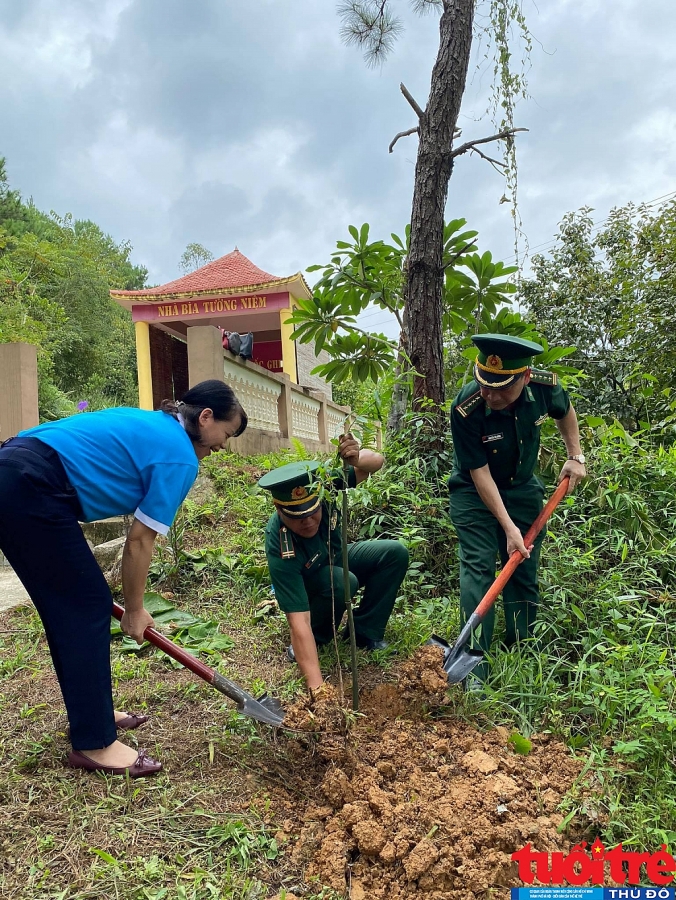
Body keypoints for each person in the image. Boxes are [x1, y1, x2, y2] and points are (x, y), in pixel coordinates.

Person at [0, 380, 246, 776]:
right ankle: (95, 743)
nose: (223, 445)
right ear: (205, 417)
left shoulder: (156, 424)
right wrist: (135, 609)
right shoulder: (181, 456)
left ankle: (92, 714)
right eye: (226, 433)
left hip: (17, 471)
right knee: (83, 607)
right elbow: (139, 542)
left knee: (77, 607)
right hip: (31, 484)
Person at [448, 334, 586, 683]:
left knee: (524, 567)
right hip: (473, 493)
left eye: (500, 389)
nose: (490, 395)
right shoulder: (467, 407)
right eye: (485, 385)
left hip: (523, 488)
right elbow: (479, 474)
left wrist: (575, 456)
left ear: (524, 377)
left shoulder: (543, 388)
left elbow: (565, 411)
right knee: (479, 566)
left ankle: (522, 646)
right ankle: (474, 660)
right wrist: (509, 528)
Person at [259, 435, 409, 690]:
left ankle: (365, 633)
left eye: (312, 511)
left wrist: (355, 456)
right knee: (342, 581)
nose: (307, 521)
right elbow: (297, 621)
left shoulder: (324, 486)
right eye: (297, 516)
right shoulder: (280, 545)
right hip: (311, 583)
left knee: (393, 553)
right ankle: (318, 639)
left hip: (337, 558)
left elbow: (376, 462)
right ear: (279, 510)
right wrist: (317, 689)